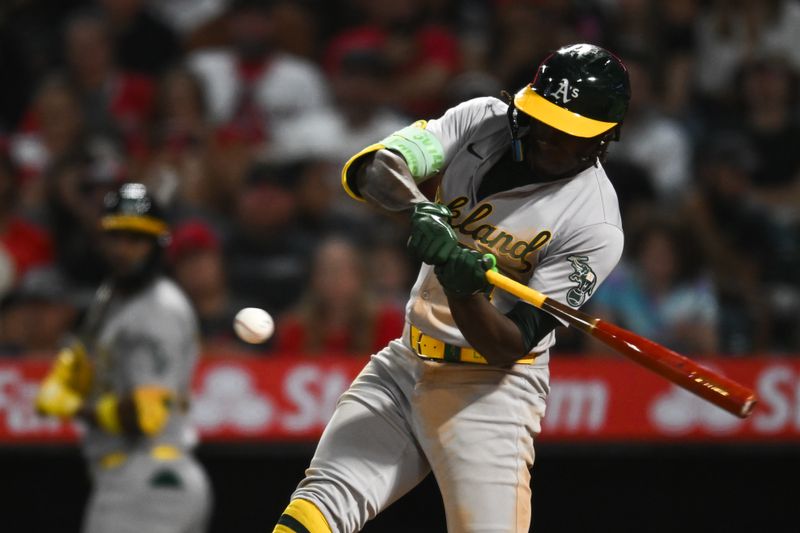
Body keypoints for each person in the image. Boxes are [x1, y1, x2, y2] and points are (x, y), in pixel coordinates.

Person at [272, 43, 630, 533]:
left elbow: (507, 345)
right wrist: (420, 208)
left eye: (564, 133)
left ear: (601, 142)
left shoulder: (595, 224)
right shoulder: (483, 119)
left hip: (490, 393)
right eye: (541, 118)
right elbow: (373, 168)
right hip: (406, 362)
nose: (545, 135)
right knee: (312, 514)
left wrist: (465, 289)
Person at [34, 182, 211, 532]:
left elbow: (147, 414)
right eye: (116, 237)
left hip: (147, 481)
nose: (123, 250)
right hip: (142, 483)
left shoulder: (156, 309)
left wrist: (75, 406)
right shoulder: (113, 297)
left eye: (136, 239)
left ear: (158, 245)